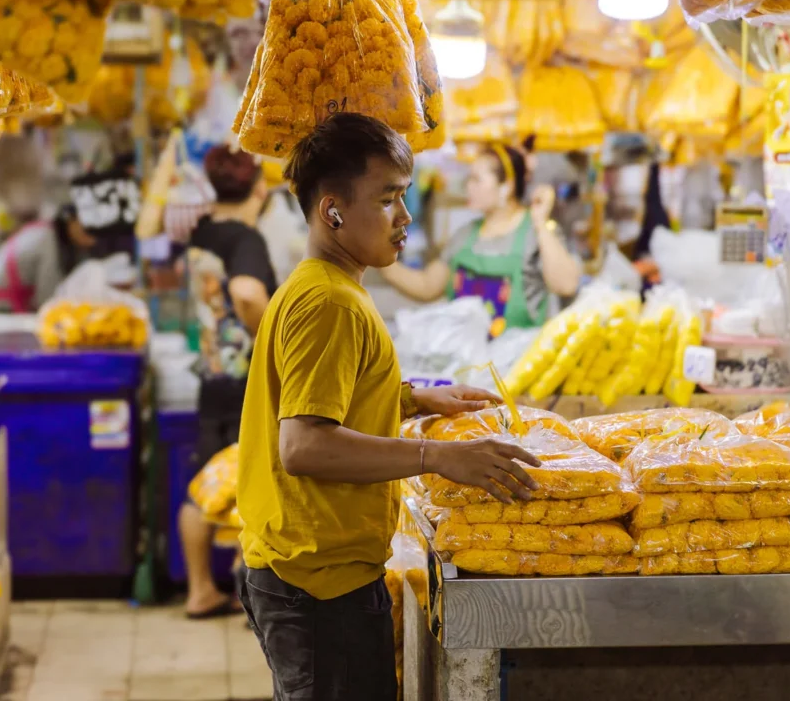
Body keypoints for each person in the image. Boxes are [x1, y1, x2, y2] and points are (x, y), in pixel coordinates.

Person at [236, 113, 541, 701]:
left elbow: (329, 402)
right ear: (333, 211)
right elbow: (304, 445)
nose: (406, 218)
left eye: (404, 197)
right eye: (389, 200)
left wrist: (414, 399)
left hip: (306, 568)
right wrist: (437, 456)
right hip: (316, 584)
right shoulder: (331, 303)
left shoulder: (325, 286)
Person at [180, 144, 277, 619]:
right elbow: (245, 292)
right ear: (261, 188)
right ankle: (252, 596)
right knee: (252, 486)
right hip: (246, 385)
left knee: (204, 484)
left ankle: (200, 589)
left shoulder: (201, 233)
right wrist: (275, 340)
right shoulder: (245, 239)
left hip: (212, 376)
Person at [381, 143, 582, 337]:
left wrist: (540, 221)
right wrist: (380, 260)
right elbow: (427, 286)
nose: (468, 186)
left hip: (516, 364)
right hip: (467, 361)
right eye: (469, 179)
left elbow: (566, 285)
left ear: (507, 187)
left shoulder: (536, 231)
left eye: (476, 180)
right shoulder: (466, 234)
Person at [0, 203, 95, 313]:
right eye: (88, 229)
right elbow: (46, 298)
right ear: (71, 221)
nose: (92, 239)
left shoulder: (47, 231)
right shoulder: (49, 239)